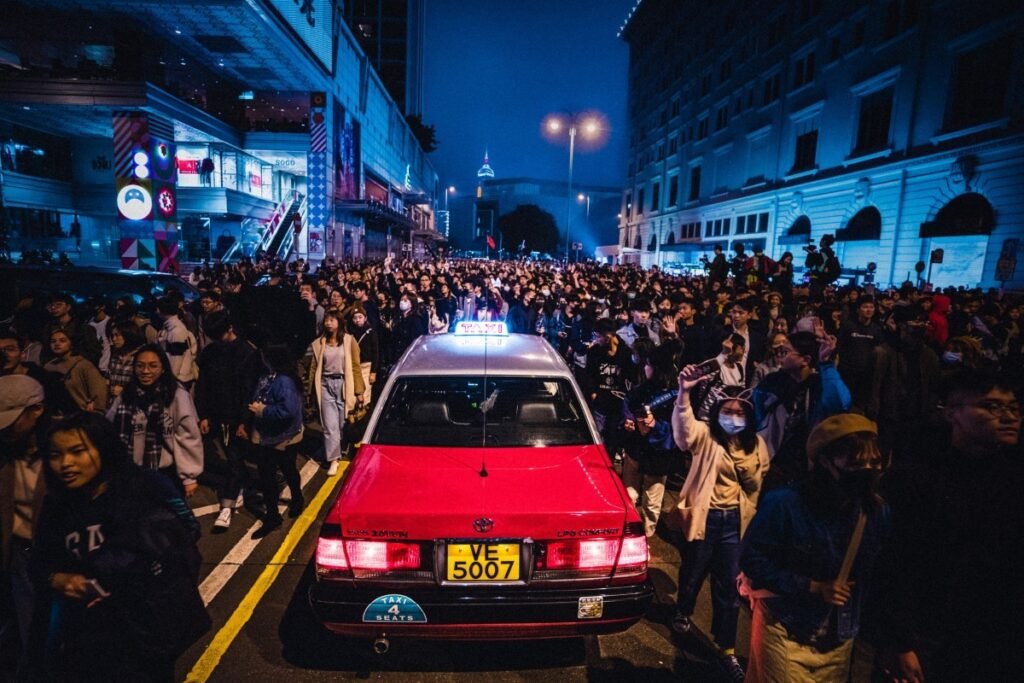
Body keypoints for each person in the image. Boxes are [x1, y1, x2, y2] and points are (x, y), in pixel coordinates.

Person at [867, 371, 1022, 682]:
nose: (1007, 417)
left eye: (1014, 408)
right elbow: (892, 562)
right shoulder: (917, 478)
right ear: (952, 412)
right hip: (930, 638)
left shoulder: (1013, 477)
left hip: (999, 637)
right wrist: (898, 641)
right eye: (992, 406)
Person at [31, 412, 210, 681]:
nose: (65, 463)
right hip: (86, 643)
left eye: (77, 451)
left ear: (103, 448)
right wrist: (56, 578)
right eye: (55, 455)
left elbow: (185, 539)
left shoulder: (144, 487)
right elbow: (41, 559)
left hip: (145, 637)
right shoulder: (57, 506)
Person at [740, 413, 889, 682]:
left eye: (874, 462)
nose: (867, 470)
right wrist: (812, 586)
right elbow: (752, 559)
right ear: (824, 460)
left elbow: (884, 574)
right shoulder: (785, 504)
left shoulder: (876, 512)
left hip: (839, 638)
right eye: (856, 462)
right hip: (785, 629)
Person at [671, 364, 769, 682]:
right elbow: (685, 432)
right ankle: (683, 610)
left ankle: (726, 649)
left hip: (734, 525)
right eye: (726, 411)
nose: (732, 416)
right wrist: (684, 393)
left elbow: (757, 489)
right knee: (692, 574)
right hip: (706, 518)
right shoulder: (706, 437)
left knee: (728, 586)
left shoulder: (758, 448)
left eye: (739, 412)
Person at [753, 330, 851, 489]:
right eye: (778, 351)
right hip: (772, 463)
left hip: (809, 466)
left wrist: (826, 363)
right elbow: (757, 416)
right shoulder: (771, 382)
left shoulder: (820, 384)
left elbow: (839, 404)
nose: (779, 355)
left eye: (785, 352)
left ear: (805, 360)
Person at [196, 311, 265, 531]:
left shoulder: (247, 352)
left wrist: (245, 421)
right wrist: (204, 414)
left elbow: (250, 390)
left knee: (236, 459)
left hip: (239, 416)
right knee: (234, 458)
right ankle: (242, 485)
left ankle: (227, 506)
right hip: (219, 414)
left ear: (230, 329)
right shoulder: (210, 353)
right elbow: (203, 385)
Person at [107, 344, 203, 497]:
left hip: (166, 473)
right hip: (130, 471)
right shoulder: (127, 394)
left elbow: (188, 436)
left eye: (153, 366)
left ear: (163, 368)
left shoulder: (176, 395)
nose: (145, 371)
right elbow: (109, 428)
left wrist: (189, 477)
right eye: (140, 366)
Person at [0, 376, 48, 680]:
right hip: (19, 556)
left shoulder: (67, 446)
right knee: (29, 634)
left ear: (37, 410)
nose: (5, 429)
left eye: (12, 420)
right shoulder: (5, 453)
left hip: (59, 556)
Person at [248, 345, 306, 537]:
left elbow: (288, 410)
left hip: (282, 437)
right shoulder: (271, 377)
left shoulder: (284, 382)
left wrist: (262, 410)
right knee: (274, 474)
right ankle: (279, 511)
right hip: (271, 436)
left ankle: (291, 504)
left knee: (281, 472)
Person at [305, 309, 365, 476]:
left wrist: (359, 391)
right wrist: (309, 392)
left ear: (339, 322)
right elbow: (313, 368)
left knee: (341, 423)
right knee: (329, 425)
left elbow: (355, 366)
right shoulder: (318, 343)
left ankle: (341, 448)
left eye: (332, 320)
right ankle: (334, 459)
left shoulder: (349, 341)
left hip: (344, 384)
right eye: (327, 320)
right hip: (325, 384)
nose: (329, 323)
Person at [42, 328, 108, 414]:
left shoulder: (83, 365)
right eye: (53, 341)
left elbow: (99, 391)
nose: (57, 344)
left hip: (80, 415)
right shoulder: (48, 367)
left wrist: (96, 412)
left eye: (62, 341)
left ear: (71, 343)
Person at [40, 293, 102, 368]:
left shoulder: (82, 327)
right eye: (51, 305)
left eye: (59, 305)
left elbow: (94, 352)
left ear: (68, 307)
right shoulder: (48, 328)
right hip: (55, 369)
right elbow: (45, 351)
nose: (54, 307)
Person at [156, 296, 198, 391]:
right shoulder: (172, 327)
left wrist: (170, 381)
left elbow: (176, 358)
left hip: (179, 380)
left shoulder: (176, 331)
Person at [106, 321, 145, 405]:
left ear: (128, 335)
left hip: (133, 404)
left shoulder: (140, 356)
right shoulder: (115, 355)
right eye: (112, 336)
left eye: (117, 335)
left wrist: (124, 390)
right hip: (114, 404)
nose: (114, 339)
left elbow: (146, 386)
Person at [349, 307, 378, 407]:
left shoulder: (370, 332)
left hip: (367, 366)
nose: (357, 320)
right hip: (355, 366)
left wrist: (373, 372)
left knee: (365, 394)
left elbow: (375, 352)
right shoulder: (350, 334)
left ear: (365, 318)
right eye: (355, 318)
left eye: (360, 317)